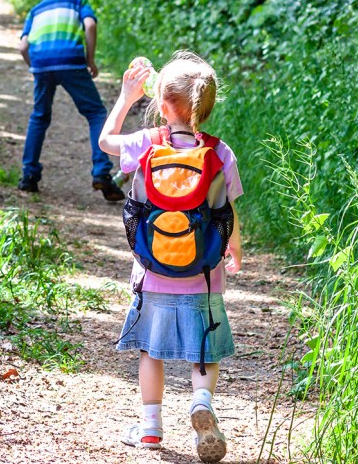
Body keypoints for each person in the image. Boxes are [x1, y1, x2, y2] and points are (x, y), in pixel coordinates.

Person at [98, 51, 243, 462]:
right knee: (203, 348)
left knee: (151, 351)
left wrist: (126, 98)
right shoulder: (220, 153)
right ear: (206, 108)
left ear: (161, 106)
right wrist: (234, 249)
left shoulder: (147, 143)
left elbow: (105, 141)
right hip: (203, 273)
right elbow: (228, 210)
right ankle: (201, 401)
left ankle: (150, 430)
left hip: (151, 271)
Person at [17, 0, 124, 201]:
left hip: (41, 63)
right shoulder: (79, 1)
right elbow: (90, 24)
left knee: (39, 117)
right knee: (96, 113)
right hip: (71, 60)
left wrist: (35, 67)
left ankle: (28, 176)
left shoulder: (36, 9)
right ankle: (101, 173)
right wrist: (90, 60)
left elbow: (23, 46)